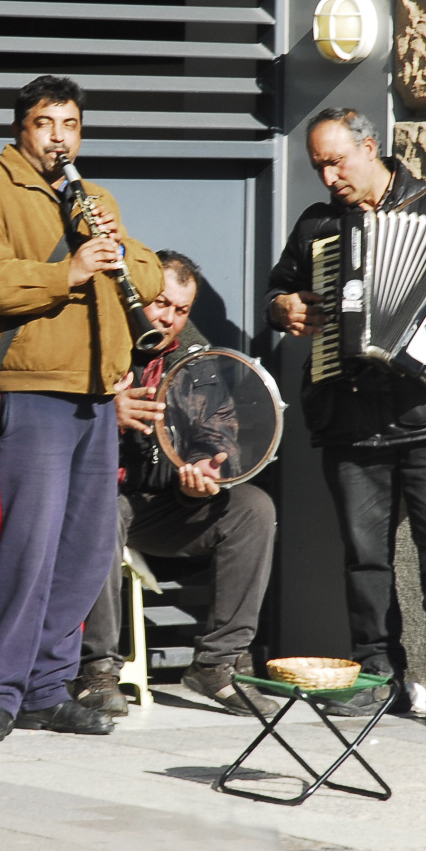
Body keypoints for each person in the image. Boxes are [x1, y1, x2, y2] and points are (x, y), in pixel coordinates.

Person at [264, 107, 426, 730]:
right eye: (317, 165)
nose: (328, 177)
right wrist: (286, 308)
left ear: (369, 147)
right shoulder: (319, 225)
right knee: (364, 557)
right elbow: (278, 292)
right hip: (352, 417)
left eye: (336, 161)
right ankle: (380, 678)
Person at [0, 75, 164, 743]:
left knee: (81, 554)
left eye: (69, 124)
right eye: (44, 124)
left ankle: (47, 689)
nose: (57, 137)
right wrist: (63, 273)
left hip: (97, 395)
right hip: (34, 389)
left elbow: (150, 276)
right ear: (21, 128)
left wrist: (115, 250)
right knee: (27, 550)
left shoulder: (94, 197)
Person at [74, 251, 279, 719]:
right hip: (97, 497)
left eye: (181, 310)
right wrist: (109, 415)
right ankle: (97, 670)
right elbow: (51, 423)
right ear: (135, 294)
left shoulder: (196, 357)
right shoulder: (96, 338)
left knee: (253, 508)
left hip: (165, 503)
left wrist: (206, 470)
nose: (168, 318)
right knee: (104, 510)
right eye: (159, 302)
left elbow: (217, 429)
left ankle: (218, 664)